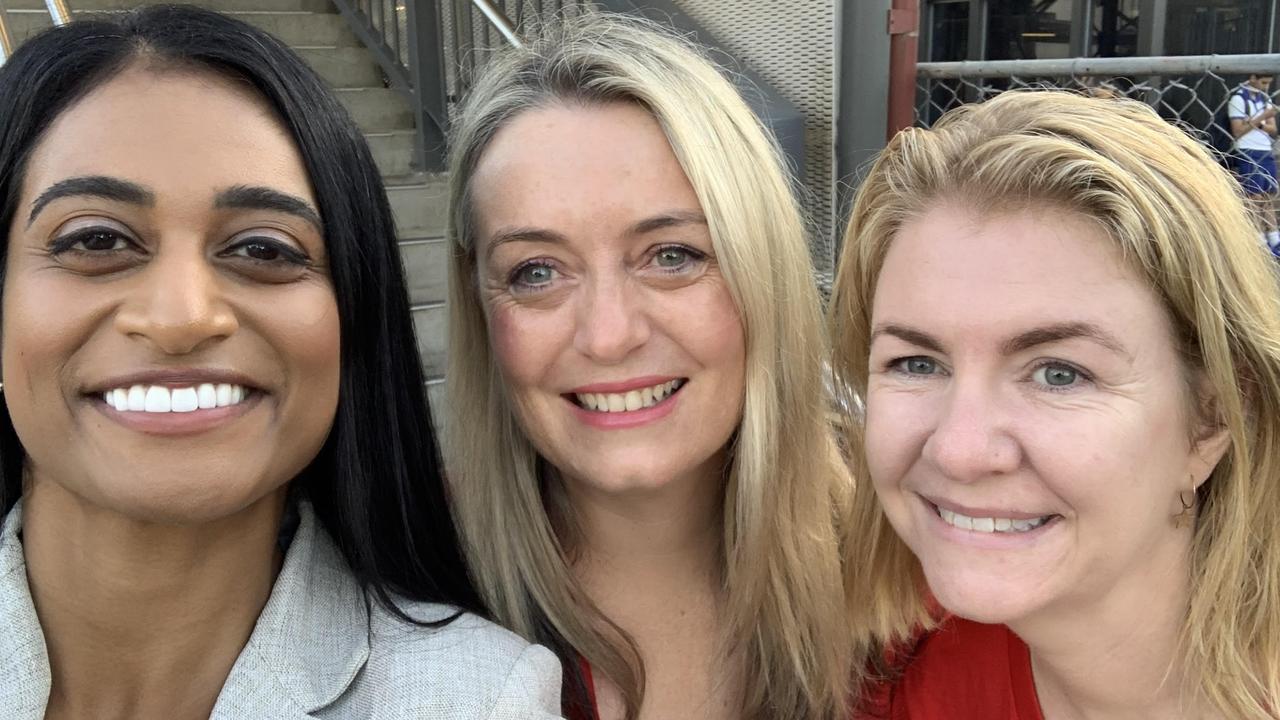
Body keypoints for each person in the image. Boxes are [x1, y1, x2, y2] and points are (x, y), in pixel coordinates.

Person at [0, 7, 561, 719]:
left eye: (263, 249)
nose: (182, 318)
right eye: (97, 240)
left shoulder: (477, 698)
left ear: (353, 319)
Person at [443, 13, 856, 720]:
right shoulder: (403, 595)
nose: (608, 336)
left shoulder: (914, 574)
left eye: (674, 256)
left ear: (766, 272)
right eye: (537, 271)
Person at [831, 89, 1280, 719]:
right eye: (917, 363)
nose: (960, 451)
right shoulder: (889, 676)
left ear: (1213, 421)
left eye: (1059, 374)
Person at [1228, 74, 1280, 253]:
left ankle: (1274, 239)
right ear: (1252, 78)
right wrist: (1262, 117)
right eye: (1263, 82)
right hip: (1248, 150)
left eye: (1268, 83)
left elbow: (1272, 128)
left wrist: (1254, 122)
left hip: (1265, 149)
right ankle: (1259, 242)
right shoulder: (1238, 98)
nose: (1265, 87)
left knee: (1268, 195)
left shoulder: (1264, 99)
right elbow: (1238, 130)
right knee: (1254, 197)